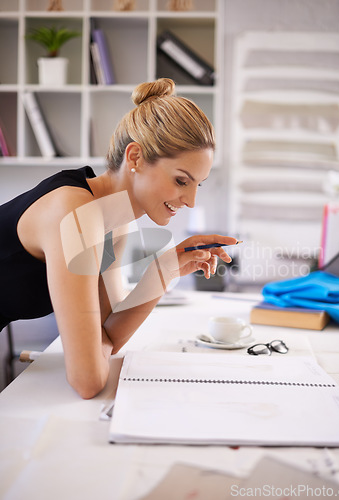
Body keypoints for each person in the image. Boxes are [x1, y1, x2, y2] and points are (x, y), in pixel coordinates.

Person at [0, 78, 237, 398]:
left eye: (199, 184)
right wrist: (96, 351)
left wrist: (163, 272)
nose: (191, 201)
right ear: (136, 157)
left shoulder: (115, 221)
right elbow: (87, 379)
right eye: (182, 180)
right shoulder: (77, 215)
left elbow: (106, 336)